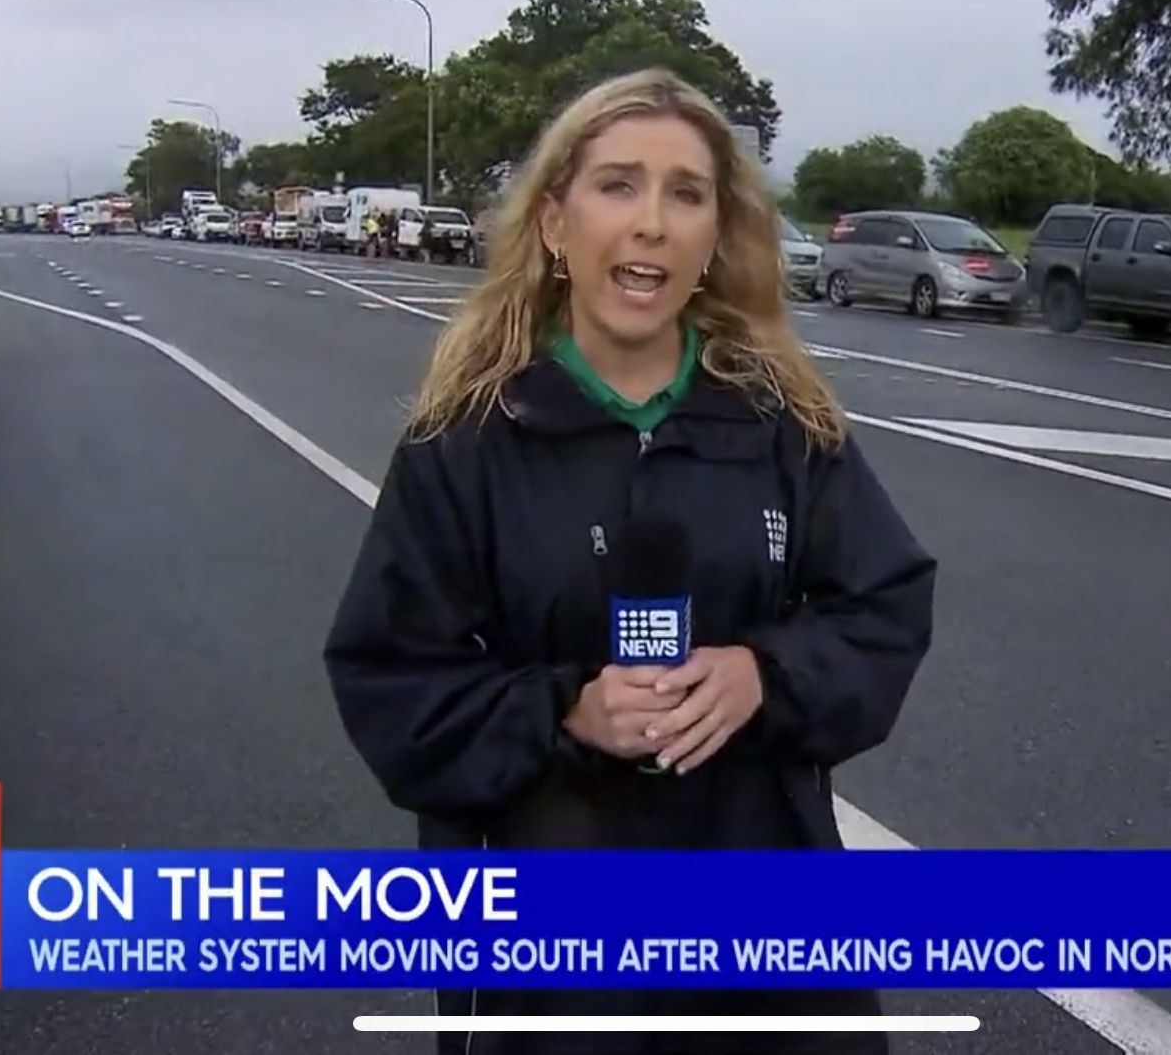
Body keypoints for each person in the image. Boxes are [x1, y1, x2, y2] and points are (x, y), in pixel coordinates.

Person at [322, 67, 938, 1055]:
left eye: (685, 194)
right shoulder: (467, 444)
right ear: (555, 224)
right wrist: (563, 710)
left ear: (714, 237)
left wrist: (765, 676)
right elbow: (390, 677)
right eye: (618, 185)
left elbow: (884, 607)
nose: (652, 222)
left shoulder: (784, 428)